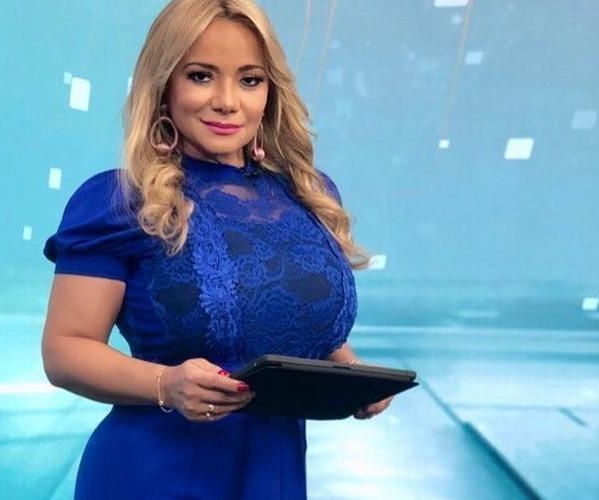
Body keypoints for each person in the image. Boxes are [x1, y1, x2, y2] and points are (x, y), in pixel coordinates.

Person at [42, 0, 393, 498]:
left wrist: (351, 374)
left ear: (271, 91)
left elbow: (288, 313)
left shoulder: (308, 194)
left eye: (250, 80)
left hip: (273, 475)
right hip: (153, 475)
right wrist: (167, 384)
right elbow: (65, 349)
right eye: (201, 76)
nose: (228, 101)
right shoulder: (117, 201)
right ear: (164, 85)